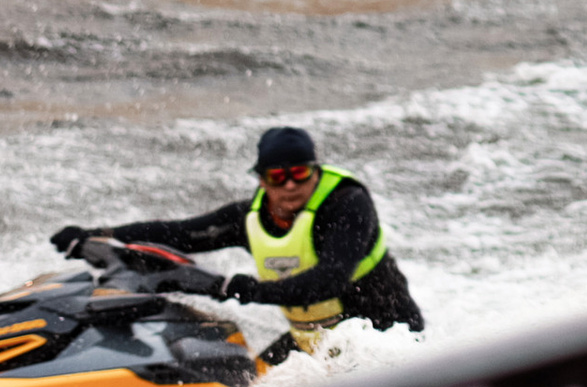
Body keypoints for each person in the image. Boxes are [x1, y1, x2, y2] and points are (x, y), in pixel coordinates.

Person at [50, 125, 425, 337]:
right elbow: (179, 233)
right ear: (261, 180)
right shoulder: (250, 218)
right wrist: (99, 234)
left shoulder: (347, 205)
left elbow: (327, 281)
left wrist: (237, 288)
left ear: (316, 171)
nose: (290, 185)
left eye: (300, 173)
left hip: (384, 339)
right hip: (315, 341)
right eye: (278, 176)